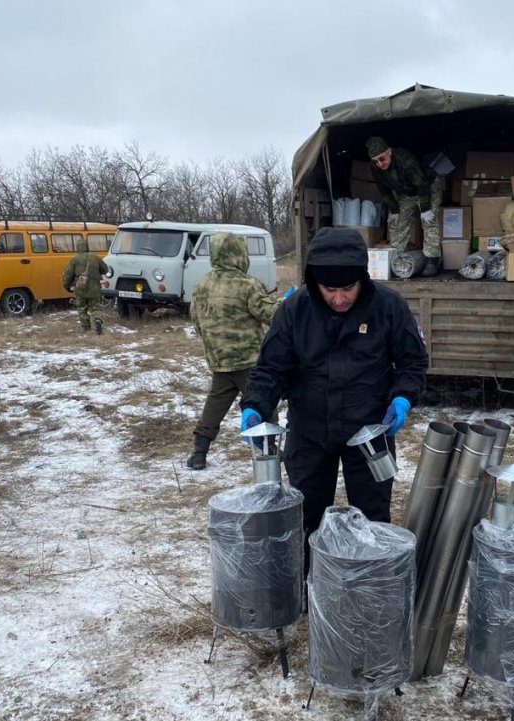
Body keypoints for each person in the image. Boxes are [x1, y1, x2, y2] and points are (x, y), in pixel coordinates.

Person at [240, 227, 428, 567]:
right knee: (307, 516)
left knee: (371, 519)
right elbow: (271, 368)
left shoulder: (389, 307)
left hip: (370, 433)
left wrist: (403, 397)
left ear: (363, 280)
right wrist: (256, 403)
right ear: (315, 283)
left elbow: (413, 361)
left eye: (348, 289)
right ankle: (312, 588)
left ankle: (369, 586)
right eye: (330, 290)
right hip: (309, 432)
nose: (339, 299)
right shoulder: (295, 310)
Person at [186, 232, 286, 470]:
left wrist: (214, 343)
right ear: (240, 254)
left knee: (214, 405)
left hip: (219, 360)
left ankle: (199, 452)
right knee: (264, 403)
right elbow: (271, 316)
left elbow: (196, 320)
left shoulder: (202, 285)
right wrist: (286, 305)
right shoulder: (247, 285)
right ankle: (268, 448)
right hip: (249, 361)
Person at [366, 136, 444, 277]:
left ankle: (432, 259)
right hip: (407, 193)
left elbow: (422, 184)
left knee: (429, 221)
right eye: (375, 161)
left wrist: (425, 209)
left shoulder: (405, 160)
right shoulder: (375, 167)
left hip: (427, 187)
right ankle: (397, 257)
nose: (379, 164)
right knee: (397, 222)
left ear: (389, 152)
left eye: (382, 159)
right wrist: (394, 209)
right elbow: (384, 190)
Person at [62, 237, 110, 335]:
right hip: (95, 288)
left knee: (81, 307)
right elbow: (105, 270)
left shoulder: (74, 260)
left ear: (77, 247)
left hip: (81, 288)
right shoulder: (95, 257)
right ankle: (97, 320)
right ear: (87, 246)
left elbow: (67, 275)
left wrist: (67, 286)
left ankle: (86, 328)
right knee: (95, 307)